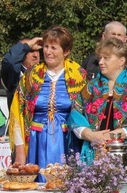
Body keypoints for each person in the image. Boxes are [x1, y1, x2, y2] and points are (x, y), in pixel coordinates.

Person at [8, 25, 86, 172]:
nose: (48, 52)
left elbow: (88, 114)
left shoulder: (79, 77)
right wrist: (19, 151)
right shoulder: (31, 76)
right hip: (36, 142)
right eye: (46, 46)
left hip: (68, 143)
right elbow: (17, 114)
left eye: (54, 48)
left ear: (66, 51)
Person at [69, 38, 127, 161]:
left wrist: (111, 136)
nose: (100, 62)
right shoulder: (91, 87)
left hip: (126, 154)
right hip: (93, 154)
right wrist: (90, 135)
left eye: (106, 58)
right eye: (100, 58)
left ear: (121, 61)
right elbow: (76, 114)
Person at [0, 37, 42, 109]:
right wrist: (27, 46)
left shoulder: (46, 73)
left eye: (37, 51)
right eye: (31, 51)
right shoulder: (15, 76)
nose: (36, 55)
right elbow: (10, 61)